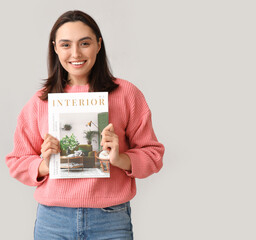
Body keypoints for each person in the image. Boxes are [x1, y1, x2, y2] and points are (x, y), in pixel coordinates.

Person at [5, 10, 164, 239]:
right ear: (55, 48)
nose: (76, 53)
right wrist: (45, 164)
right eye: (66, 44)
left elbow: (154, 155)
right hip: (53, 220)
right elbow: (16, 160)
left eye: (85, 43)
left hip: (110, 218)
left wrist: (120, 159)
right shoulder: (40, 101)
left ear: (99, 44)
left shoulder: (127, 94)